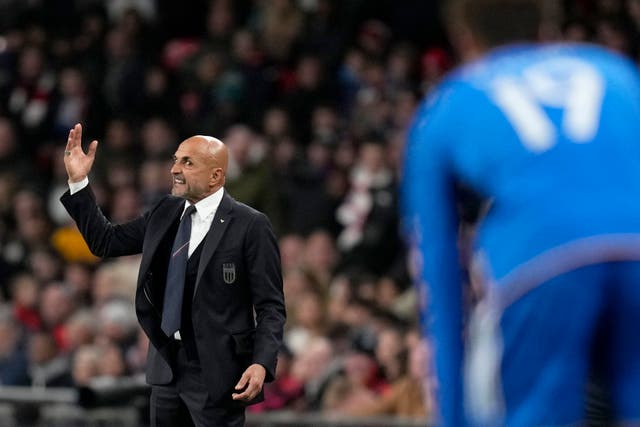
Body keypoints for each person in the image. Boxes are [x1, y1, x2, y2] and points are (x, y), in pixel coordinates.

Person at [402, 0, 640, 426]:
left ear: (464, 38)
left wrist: (453, 416)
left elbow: (439, 278)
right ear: (548, 26)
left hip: (538, 265)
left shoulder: (448, 104)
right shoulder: (615, 72)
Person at [60, 123, 286, 427]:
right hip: (166, 367)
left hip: (218, 373)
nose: (175, 169)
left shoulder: (250, 224)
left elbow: (271, 306)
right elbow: (106, 241)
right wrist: (79, 182)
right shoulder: (165, 210)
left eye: (187, 162)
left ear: (216, 176)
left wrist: (261, 363)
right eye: (176, 159)